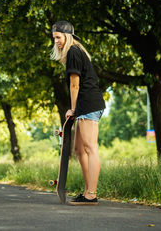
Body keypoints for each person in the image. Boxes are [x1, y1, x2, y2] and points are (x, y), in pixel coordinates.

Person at [51, 21, 105, 205]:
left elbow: (75, 84)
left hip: (88, 104)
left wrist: (73, 109)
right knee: (79, 150)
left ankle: (91, 194)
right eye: (54, 38)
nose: (56, 41)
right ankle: (87, 191)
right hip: (86, 105)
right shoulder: (75, 52)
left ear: (68, 37)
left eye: (58, 37)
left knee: (90, 148)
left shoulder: (73, 51)